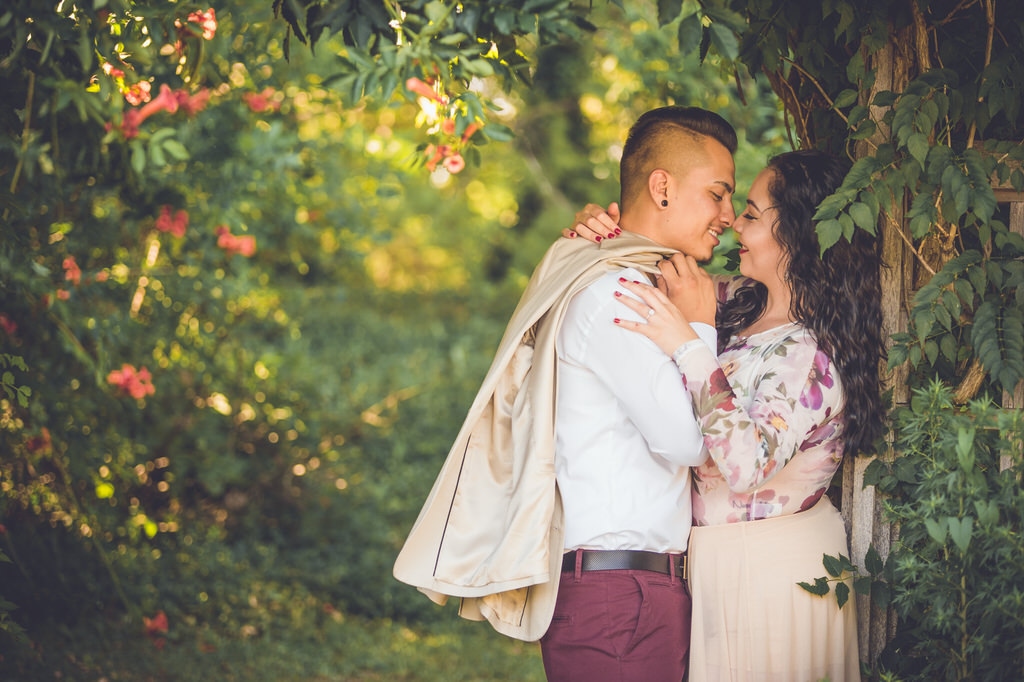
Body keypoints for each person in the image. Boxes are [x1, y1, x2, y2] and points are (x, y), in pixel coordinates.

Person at [393, 106, 738, 681]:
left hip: (633, 588)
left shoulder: (641, 282)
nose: (726, 214)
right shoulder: (617, 294)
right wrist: (698, 328)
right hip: (619, 594)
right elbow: (688, 441)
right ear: (662, 188)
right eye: (718, 193)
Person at [571, 149, 884, 681]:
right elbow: (656, 268)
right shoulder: (740, 303)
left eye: (753, 214)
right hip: (720, 563)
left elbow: (747, 466)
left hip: (771, 568)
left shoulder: (808, 355)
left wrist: (687, 345)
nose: (734, 222)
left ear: (798, 235)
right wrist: (597, 233)